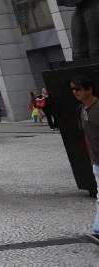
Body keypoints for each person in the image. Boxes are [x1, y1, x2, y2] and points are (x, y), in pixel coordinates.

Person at [71, 75, 99, 238]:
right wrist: (92, 159)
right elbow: (87, 136)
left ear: (89, 89)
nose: (75, 92)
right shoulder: (81, 110)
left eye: (78, 89)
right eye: (73, 89)